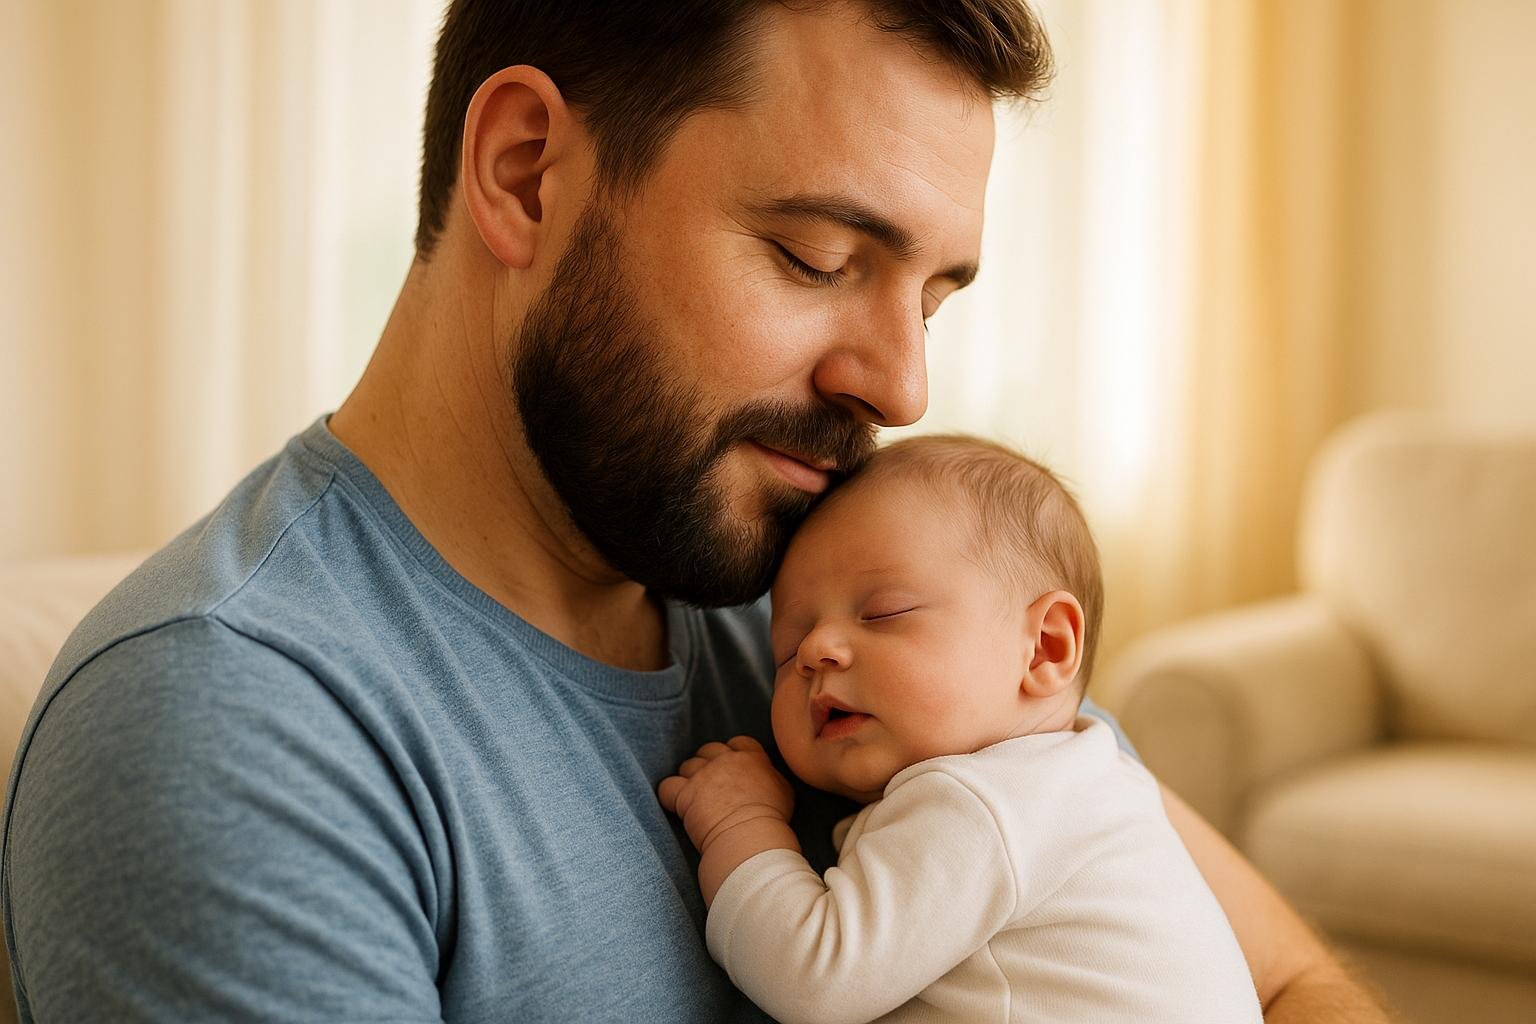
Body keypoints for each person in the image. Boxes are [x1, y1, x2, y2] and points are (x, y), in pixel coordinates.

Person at [1, 1, 1388, 1022]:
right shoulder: (233, 728)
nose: (900, 383)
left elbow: (1283, 974)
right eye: (816, 256)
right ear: (526, 171)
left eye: (935, 295)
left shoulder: (835, 589)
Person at [659, 435, 1263, 1023]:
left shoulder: (982, 804)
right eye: (786, 651)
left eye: (883, 613)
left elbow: (815, 977)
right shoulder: (1083, 779)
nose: (816, 649)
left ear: (1045, 648)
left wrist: (740, 824)